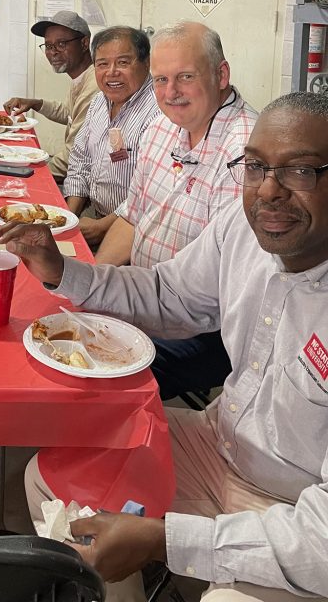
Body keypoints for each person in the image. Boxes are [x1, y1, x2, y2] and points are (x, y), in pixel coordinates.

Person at [0, 92, 328, 602]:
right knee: (53, 477)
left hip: (302, 512)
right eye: (255, 167)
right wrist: (63, 271)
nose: (270, 191)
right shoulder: (242, 228)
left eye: (301, 171)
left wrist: (168, 541)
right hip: (223, 446)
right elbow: (168, 293)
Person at [95, 22, 258, 398]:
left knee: (96, 376)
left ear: (221, 75)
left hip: (204, 326)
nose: (171, 93)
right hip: (146, 297)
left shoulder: (246, 153)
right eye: (160, 80)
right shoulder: (160, 129)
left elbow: (220, 293)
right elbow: (132, 218)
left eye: (185, 77)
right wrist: (99, 285)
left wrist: (129, 308)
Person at [63, 27, 160, 247]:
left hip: (137, 232)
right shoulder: (99, 102)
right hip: (95, 216)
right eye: (103, 64)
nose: (112, 72)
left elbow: (151, 190)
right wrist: (70, 218)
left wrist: (104, 226)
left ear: (146, 63)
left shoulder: (158, 113)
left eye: (123, 63)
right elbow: (81, 160)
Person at [3, 10, 98, 182]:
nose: (53, 52)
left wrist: (33, 176)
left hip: (87, 181)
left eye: (61, 44)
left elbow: (74, 155)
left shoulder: (94, 86)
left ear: (84, 43)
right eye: (48, 46)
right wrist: (36, 103)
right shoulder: (81, 76)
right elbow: (70, 114)